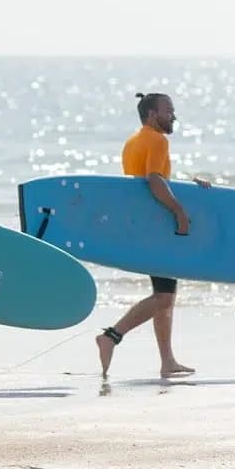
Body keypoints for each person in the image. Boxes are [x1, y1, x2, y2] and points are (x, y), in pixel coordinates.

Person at [94, 92, 210, 379]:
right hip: (158, 230)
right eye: (168, 110)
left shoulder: (134, 141)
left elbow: (147, 181)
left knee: (165, 295)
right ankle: (111, 336)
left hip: (142, 227)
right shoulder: (159, 140)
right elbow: (155, 181)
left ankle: (167, 360)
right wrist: (180, 211)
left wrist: (189, 188)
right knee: (164, 298)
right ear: (151, 114)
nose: (173, 115)